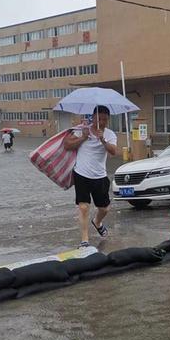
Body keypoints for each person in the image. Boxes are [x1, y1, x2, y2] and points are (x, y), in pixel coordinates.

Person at [63, 105, 118, 248]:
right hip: (82, 174)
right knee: (83, 207)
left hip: (100, 176)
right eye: (99, 118)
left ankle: (97, 222)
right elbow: (67, 145)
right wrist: (83, 138)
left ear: (108, 119)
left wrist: (103, 140)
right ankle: (85, 240)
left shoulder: (110, 134)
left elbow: (113, 152)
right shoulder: (82, 130)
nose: (102, 121)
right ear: (92, 117)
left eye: (105, 119)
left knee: (104, 209)